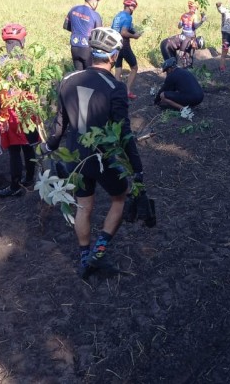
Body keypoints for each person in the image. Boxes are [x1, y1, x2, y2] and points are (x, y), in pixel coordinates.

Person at [45, 27, 144, 278]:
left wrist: (49, 147)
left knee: (84, 207)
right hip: (103, 156)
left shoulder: (68, 80)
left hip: (76, 156)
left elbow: (59, 125)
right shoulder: (115, 86)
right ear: (113, 56)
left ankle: (84, 255)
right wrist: (137, 166)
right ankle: (98, 253)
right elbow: (124, 133)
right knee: (119, 198)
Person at [0, 23, 39, 198]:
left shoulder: (1, 61)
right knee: (29, 146)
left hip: (11, 109)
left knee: (14, 149)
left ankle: (15, 185)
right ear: (22, 42)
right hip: (28, 108)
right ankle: (29, 178)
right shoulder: (27, 61)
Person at [63, 0, 103, 71]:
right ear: (93, 1)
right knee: (89, 76)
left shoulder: (73, 9)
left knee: (79, 74)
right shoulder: (95, 15)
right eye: (97, 2)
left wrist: (77, 31)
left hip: (74, 47)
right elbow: (99, 34)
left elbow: (66, 26)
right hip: (87, 49)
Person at [111, 0, 143, 100]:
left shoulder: (118, 16)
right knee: (134, 67)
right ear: (129, 7)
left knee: (118, 69)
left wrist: (133, 31)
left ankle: (118, 93)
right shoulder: (128, 17)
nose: (133, 9)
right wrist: (135, 36)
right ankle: (127, 91)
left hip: (114, 44)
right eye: (133, 7)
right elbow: (123, 32)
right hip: (124, 45)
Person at [177, 0, 207, 65]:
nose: (196, 10)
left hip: (183, 35)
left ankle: (183, 64)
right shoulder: (194, 16)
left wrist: (182, 23)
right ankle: (189, 65)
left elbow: (179, 26)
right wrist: (202, 21)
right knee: (191, 51)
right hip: (191, 36)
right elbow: (195, 26)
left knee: (183, 49)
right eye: (196, 8)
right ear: (194, 8)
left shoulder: (183, 15)